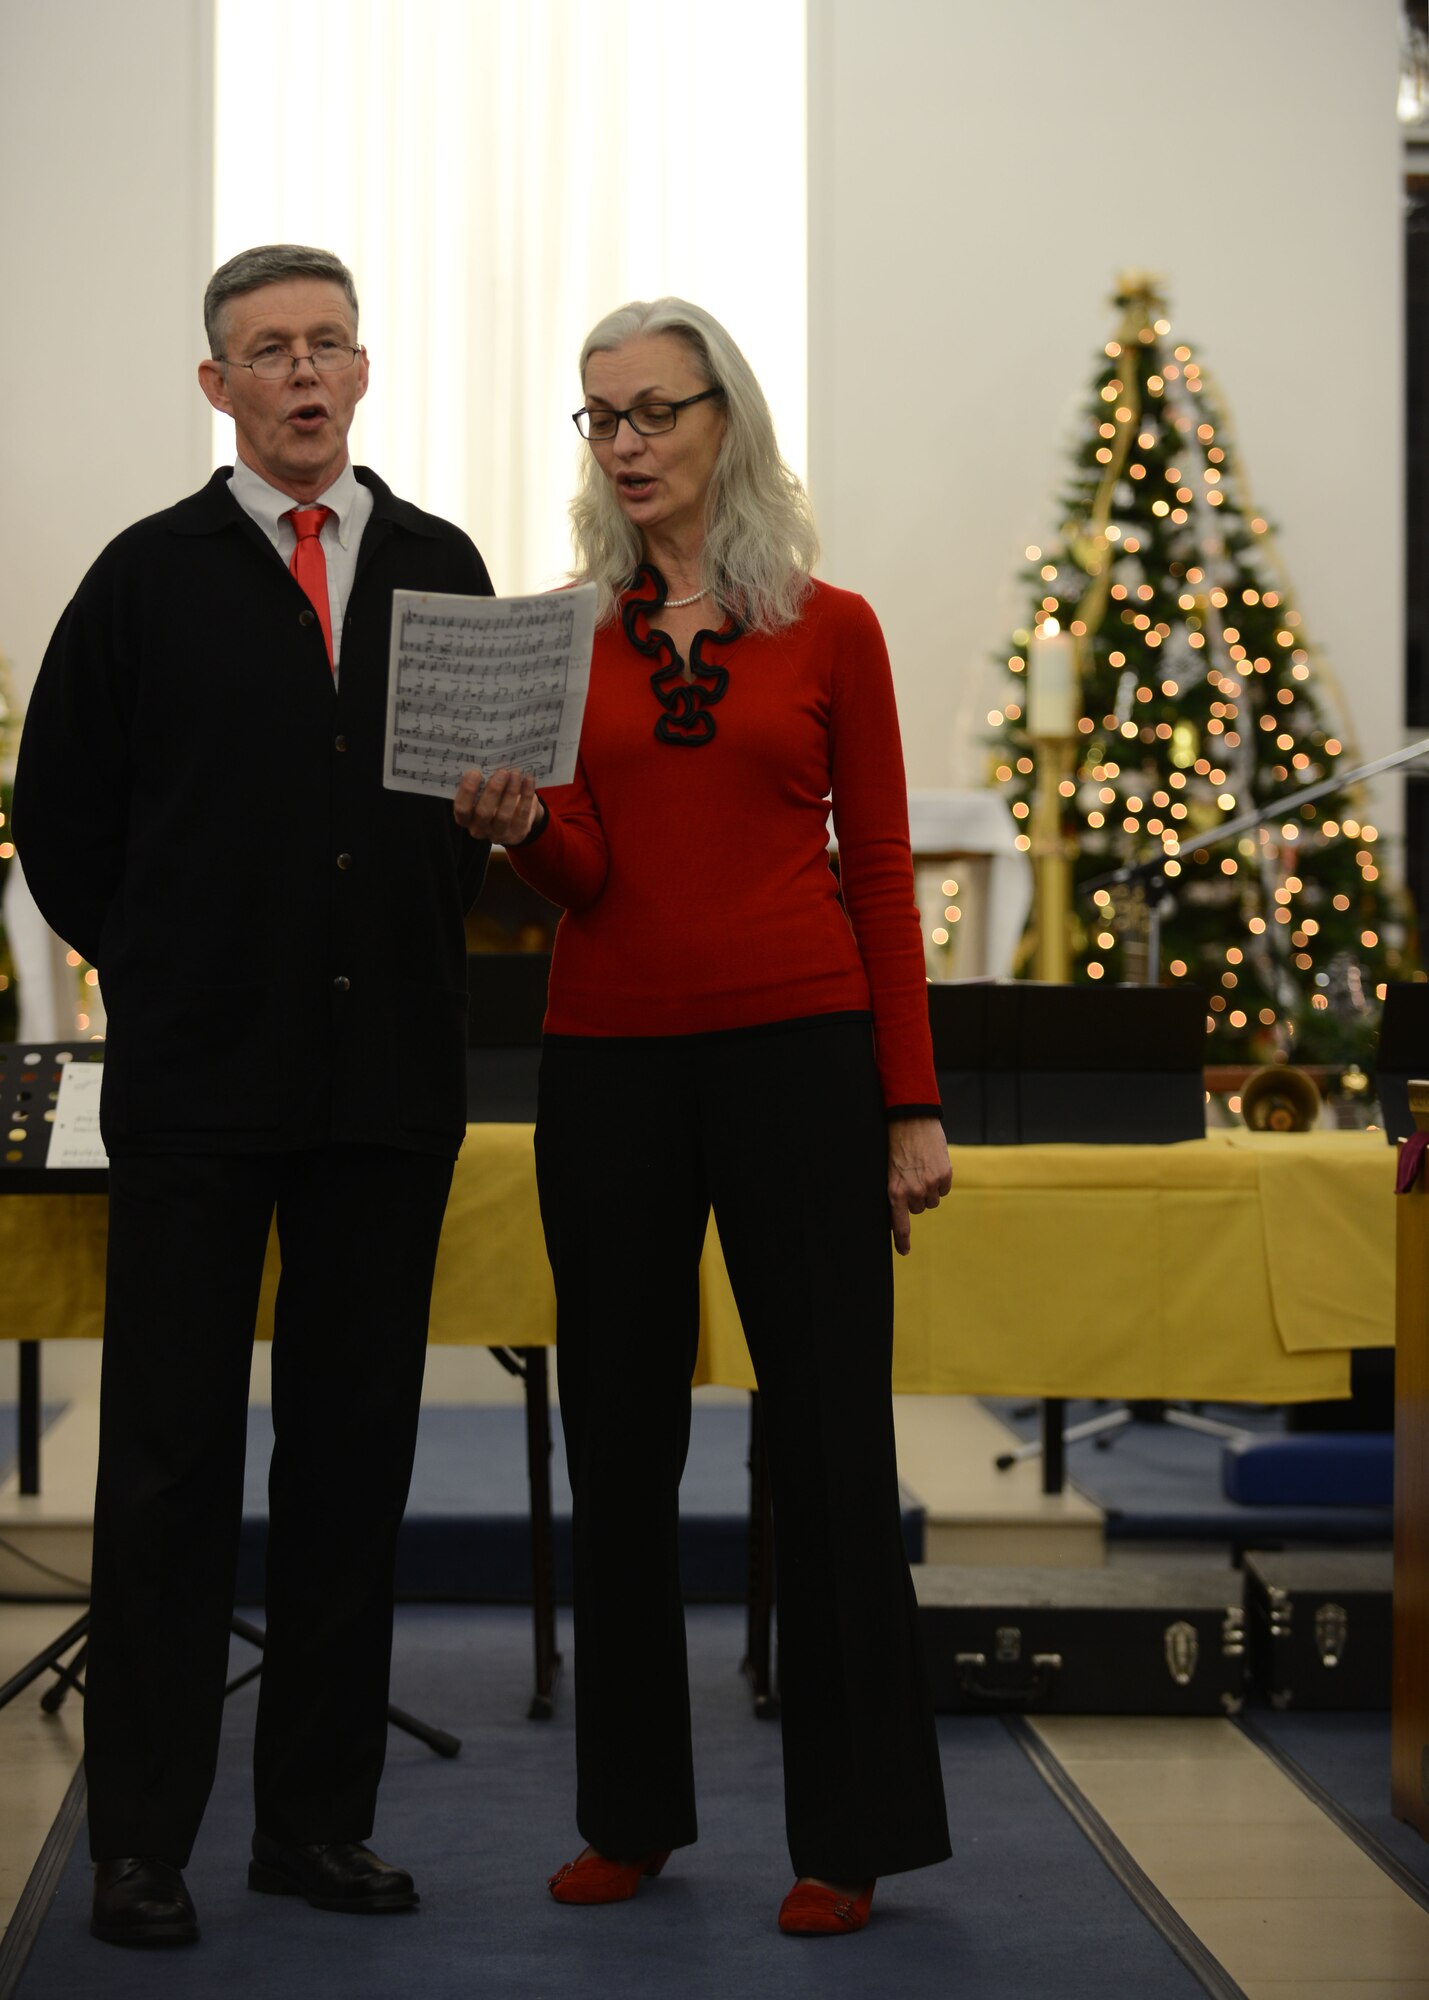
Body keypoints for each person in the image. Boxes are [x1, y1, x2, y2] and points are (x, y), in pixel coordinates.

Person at [13, 244, 494, 1948]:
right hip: (200, 1084)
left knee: (355, 1464)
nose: (304, 374)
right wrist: (161, 963)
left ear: (363, 371)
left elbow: (472, 806)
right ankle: (142, 1842)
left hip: (387, 1084)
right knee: (164, 1468)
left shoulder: (442, 564)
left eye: (328, 345)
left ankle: (314, 1826)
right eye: (268, 352)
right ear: (216, 388)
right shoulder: (144, 577)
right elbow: (57, 815)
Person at [455, 298, 952, 1936]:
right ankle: (631, 1814)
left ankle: (850, 1836)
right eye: (598, 418)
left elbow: (876, 874)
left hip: (800, 1055)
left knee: (825, 1437)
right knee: (616, 1438)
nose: (625, 440)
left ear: (722, 418)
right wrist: (522, 829)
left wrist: (909, 1102)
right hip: (605, 1063)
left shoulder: (834, 627)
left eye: (654, 409)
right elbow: (584, 875)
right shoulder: (559, 636)